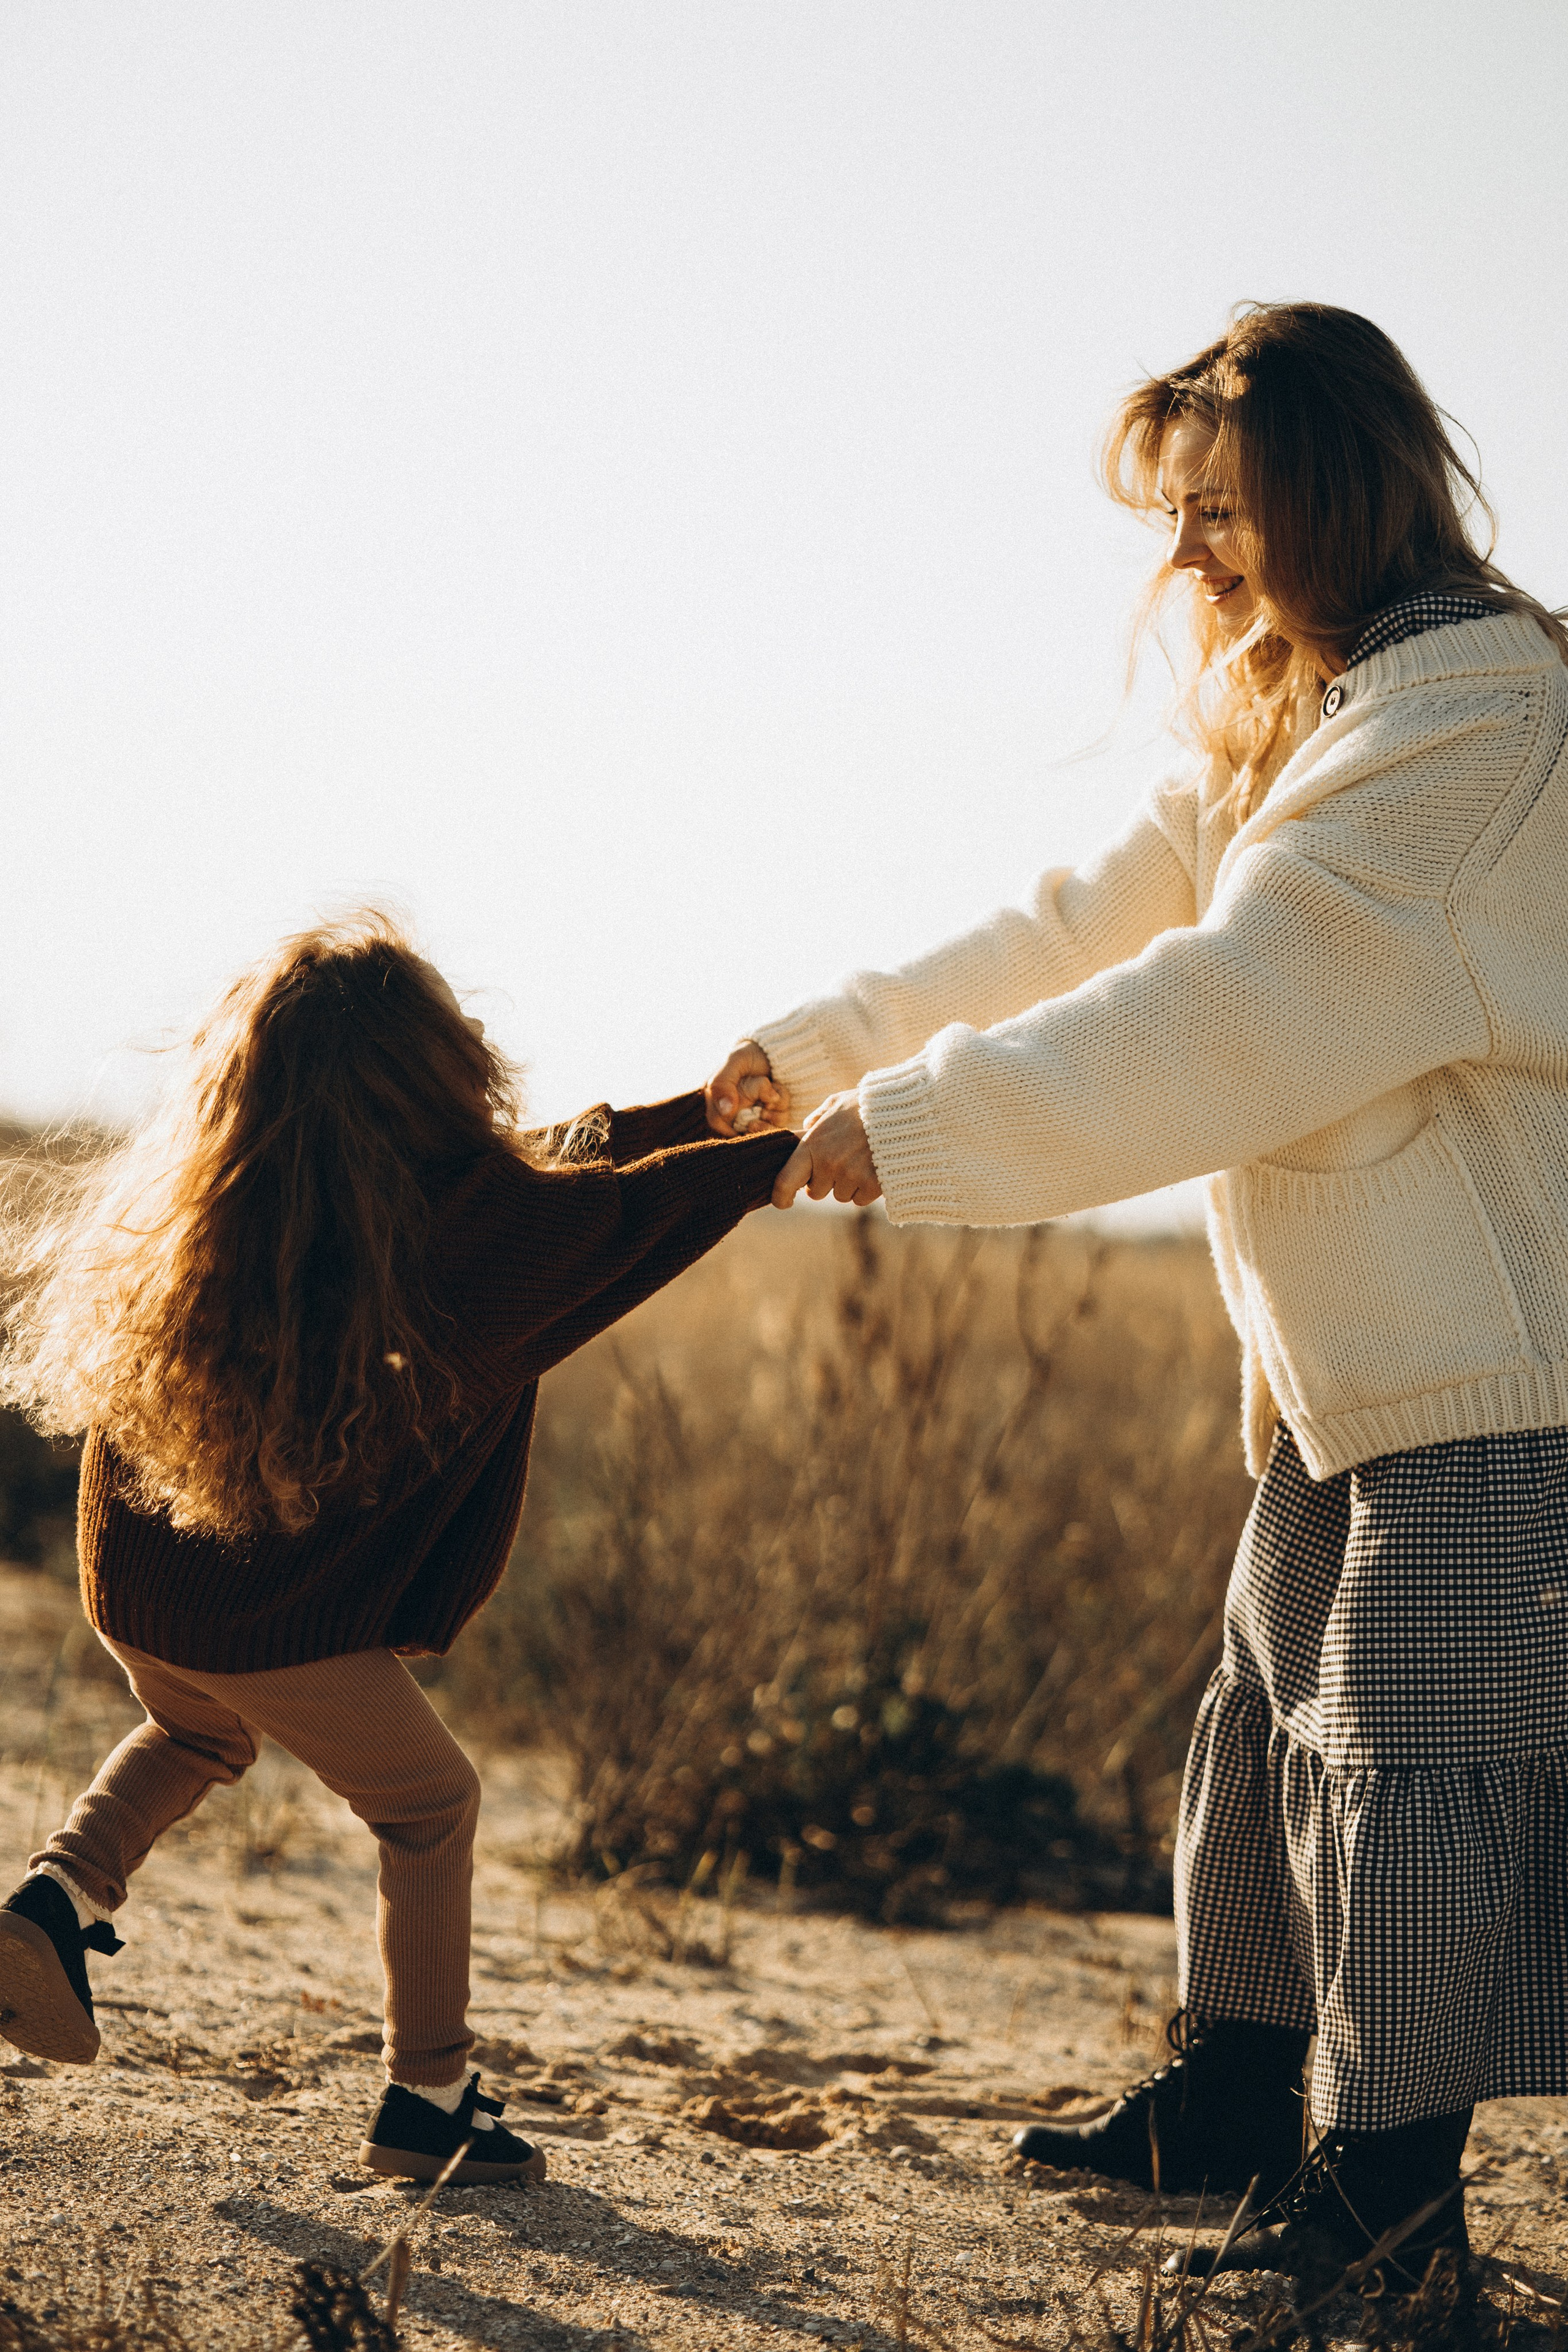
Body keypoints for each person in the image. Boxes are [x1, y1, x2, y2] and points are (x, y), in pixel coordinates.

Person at [707, 303, 1568, 2295]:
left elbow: (1235, 1011)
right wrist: (820, 1048)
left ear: (1334, 494)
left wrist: (913, 1127)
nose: (1184, 557)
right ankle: (1238, 2097)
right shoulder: (1310, 706)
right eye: (1172, 516)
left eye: (1220, 513)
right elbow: (1082, 925)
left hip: (1493, 1372)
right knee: (1266, 1728)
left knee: (1408, 1767)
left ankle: (1387, 2203)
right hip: (1351, 1366)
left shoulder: (1473, 728)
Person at [0, 913, 794, 2184]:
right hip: (259, 1617)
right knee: (431, 1806)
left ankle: (53, 1901)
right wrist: (774, 1161)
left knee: (199, 1730)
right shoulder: (451, 1245)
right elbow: (601, 1223)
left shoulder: (243, 1204)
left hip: (138, 1581)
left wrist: (696, 1118)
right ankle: (430, 2100)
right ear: (433, 1071)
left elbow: (547, 1179)